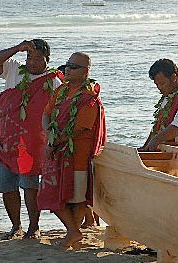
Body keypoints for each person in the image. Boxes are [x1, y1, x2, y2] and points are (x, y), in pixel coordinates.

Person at [0, 39, 63, 239]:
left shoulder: (53, 81)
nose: (32, 62)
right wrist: (16, 48)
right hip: (3, 139)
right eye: (29, 56)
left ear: (47, 59)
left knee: (30, 184)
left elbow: (59, 113)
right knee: (6, 185)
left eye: (38, 58)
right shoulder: (14, 69)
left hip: (32, 144)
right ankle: (16, 226)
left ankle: (34, 227)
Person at [37, 52, 106, 248]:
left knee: (76, 200)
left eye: (73, 66)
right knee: (50, 193)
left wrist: (54, 142)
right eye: (67, 65)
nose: (67, 69)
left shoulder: (89, 99)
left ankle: (72, 233)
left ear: (85, 72)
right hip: (56, 151)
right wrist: (50, 137)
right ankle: (73, 232)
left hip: (77, 156)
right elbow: (46, 114)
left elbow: (78, 130)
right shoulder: (61, 91)